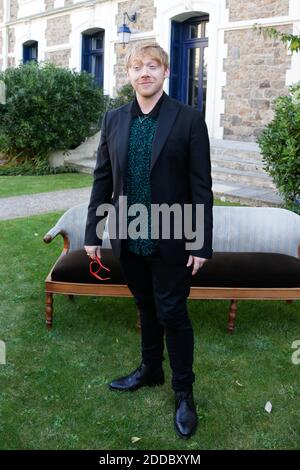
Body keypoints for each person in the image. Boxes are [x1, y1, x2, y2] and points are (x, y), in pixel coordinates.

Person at [84, 42, 213, 439]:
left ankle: (184, 393)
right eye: (137, 67)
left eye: (152, 66)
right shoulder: (114, 119)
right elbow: (103, 179)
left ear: (165, 72)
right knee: (145, 306)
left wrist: (200, 242)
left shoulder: (189, 119)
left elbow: (200, 187)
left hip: (173, 236)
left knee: (172, 313)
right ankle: (150, 370)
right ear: (128, 74)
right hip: (130, 235)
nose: (145, 73)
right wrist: (94, 231)